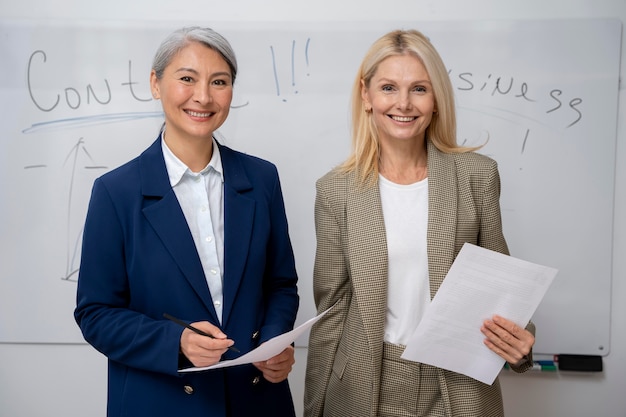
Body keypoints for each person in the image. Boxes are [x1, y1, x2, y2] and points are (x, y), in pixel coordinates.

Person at [303, 29, 535, 417]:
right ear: (366, 95)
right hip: (364, 384)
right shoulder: (335, 191)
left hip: (458, 385)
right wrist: (313, 408)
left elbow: (504, 289)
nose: (404, 104)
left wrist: (523, 344)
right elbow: (332, 312)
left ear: (436, 100)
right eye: (389, 87)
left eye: (419, 89)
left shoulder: (477, 175)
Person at [74, 26, 299, 417]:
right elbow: (96, 313)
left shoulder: (262, 179)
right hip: (161, 401)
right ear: (155, 83)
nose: (203, 96)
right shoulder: (116, 192)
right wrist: (174, 341)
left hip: (256, 399)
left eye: (219, 81)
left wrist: (276, 341)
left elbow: (281, 285)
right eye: (187, 79)